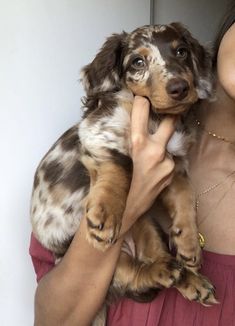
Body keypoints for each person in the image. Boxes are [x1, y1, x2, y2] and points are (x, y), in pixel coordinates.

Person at [30, 4, 235, 326]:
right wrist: (126, 192)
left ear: (195, 61)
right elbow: (53, 320)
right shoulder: (117, 133)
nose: (173, 78)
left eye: (180, 53)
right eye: (139, 63)